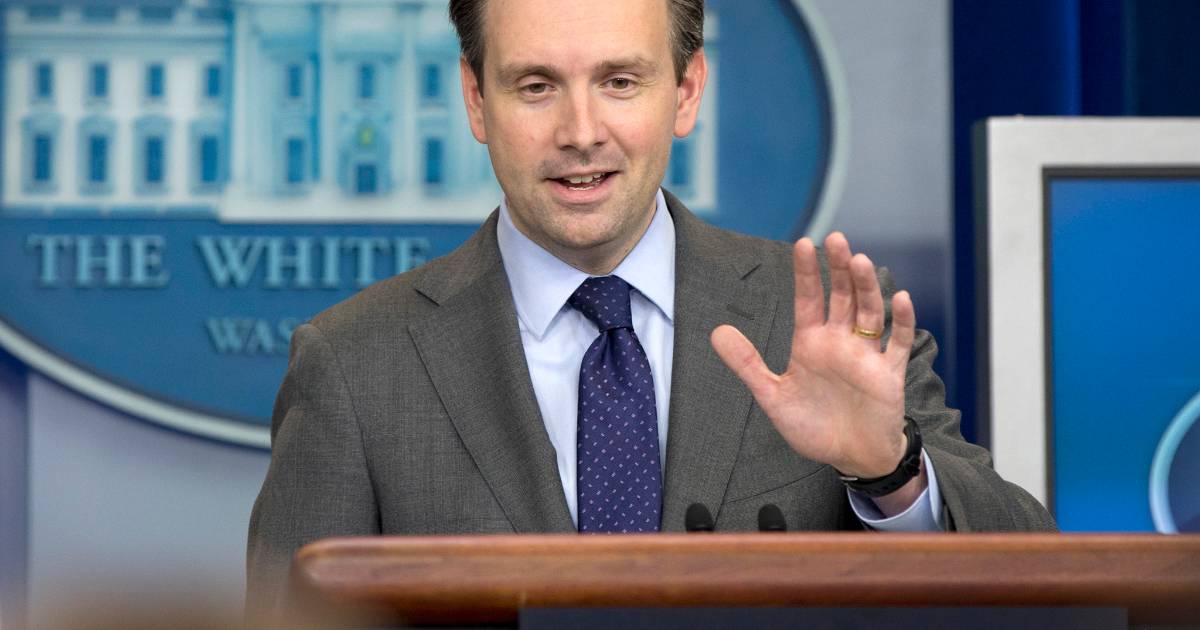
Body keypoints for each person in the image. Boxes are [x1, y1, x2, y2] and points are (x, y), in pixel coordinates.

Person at [247, 0, 1055, 617]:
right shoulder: (356, 365)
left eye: (620, 82)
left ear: (687, 91)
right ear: (476, 99)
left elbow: (1037, 580)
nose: (580, 132)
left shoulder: (826, 322)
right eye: (536, 86)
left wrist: (890, 474)